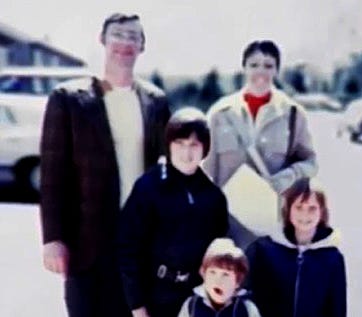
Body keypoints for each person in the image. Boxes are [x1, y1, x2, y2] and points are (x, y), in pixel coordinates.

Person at [39, 13, 170, 317]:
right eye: (119, 35)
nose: (125, 43)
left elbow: (167, 169)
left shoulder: (155, 101)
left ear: (142, 46)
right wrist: (53, 238)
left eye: (134, 37)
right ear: (103, 40)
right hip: (87, 241)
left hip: (140, 240)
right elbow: (52, 176)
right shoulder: (69, 98)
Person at [202, 40, 318, 246]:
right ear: (244, 68)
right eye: (254, 65)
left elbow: (311, 164)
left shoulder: (292, 113)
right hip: (228, 225)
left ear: (277, 70)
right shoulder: (221, 113)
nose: (261, 72)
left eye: (268, 65)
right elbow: (204, 170)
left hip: (273, 225)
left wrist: (288, 176)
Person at [118, 107, 229, 317]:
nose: (186, 153)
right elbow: (128, 249)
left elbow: (218, 250)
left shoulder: (213, 196)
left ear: (204, 148)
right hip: (156, 295)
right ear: (169, 145)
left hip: (197, 297)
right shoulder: (149, 187)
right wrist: (137, 305)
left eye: (194, 145)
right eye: (179, 144)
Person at [246, 179, 347, 317]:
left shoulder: (332, 258)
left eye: (312, 208)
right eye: (299, 207)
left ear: (322, 212)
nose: (304, 215)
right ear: (288, 210)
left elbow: (337, 309)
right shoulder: (263, 250)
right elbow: (247, 299)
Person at [178, 238, 261, 317]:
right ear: (204, 275)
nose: (218, 281)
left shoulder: (246, 308)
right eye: (212, 273)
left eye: (225, 275)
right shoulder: (191, 305)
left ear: (237, 281)